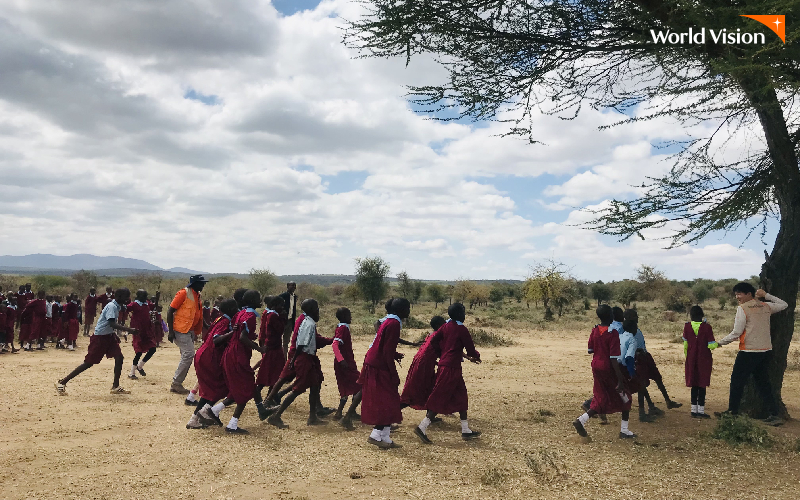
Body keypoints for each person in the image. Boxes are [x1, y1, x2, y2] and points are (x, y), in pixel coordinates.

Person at [715, 284, 788, 425]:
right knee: (763, 383)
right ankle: (774, 414)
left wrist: (720, 343)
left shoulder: (742, 309)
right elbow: (784, 304)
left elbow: (736, 333)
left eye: (740, 294)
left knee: (737, 381)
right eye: (736, 294)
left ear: (749, 294)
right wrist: (766, 295)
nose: (737, 297)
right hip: (764, 351)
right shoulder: (765, 306)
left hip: (748, 351)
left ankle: (732, 412)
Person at [415, 304, 482, 444]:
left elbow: (433, 340)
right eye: (463, 313)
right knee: (440, 397)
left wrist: (442, 353)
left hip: (447, 366)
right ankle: (422, 427)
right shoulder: (461, 329)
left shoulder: (445, 327)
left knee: (462, 396)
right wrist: (475, 356)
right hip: (451, 368)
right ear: (459, 314)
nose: (464, 315)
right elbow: (470, 348)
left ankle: (466, 430)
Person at [55, 288, 138, 395]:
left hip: (108, 336)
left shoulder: (116, 306)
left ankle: (115, 386)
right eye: (126, 297)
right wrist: (129, 330)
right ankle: (62, 382)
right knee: (89, 363)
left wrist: (114, 335)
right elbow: (112, 323)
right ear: (119, 297)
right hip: (100, 338)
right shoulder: (112, 307)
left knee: (119, 357)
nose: (128, 299)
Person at [267, 299, 333, 429]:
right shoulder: (308, 324)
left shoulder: (308, 321)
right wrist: (294, 360)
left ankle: (313, 416)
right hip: (304, 358)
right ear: (313, 311)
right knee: (297, 389)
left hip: (307, 357)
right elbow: (301, 344)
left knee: (314, 385)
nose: (319, 311)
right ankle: (275, 416)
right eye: (317, 309)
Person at [573, 305, 634, 440]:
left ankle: (581, 420)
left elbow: (590, 350)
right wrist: (619, 379)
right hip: (608, 368)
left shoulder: (595, 330)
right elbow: (613, 359)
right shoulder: (612, 334)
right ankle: (624, 430)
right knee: (625, 396)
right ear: (611, 317)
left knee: (600, 396)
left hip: (596, 365)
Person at [359, 298, 410, 449]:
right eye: (407, 308)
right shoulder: (394, 324)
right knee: (387, 401)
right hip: (379, 366)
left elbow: (383, 345)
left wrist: (395, 355)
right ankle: (375, 434)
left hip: (375, 362)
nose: (409, 311)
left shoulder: (388, 321)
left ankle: (385, 438)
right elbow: (386, 351)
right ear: (400, 310)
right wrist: (393, 374)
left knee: (391, 400)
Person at [220, 290, 268, 434]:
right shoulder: (250, 316)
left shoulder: (240, 313)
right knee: (245, 387)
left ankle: (261, 410)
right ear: (253, 301)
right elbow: (242, 337)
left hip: (232, 351)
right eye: (258, 298)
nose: (260, 300)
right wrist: (259, 348)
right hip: (238, 353)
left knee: (249, 384)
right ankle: (232, 424)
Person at [624, 309, 682, 416]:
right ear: (629, 318)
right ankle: (644, 411)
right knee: (642, 384)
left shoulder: (635, 329)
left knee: (657, 378)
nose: (637, 318)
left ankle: (666, 401)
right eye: (634, 316)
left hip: (646, 356)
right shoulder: (627, 331)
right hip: (639, 359)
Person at [191, 299, 239, 429]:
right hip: (210, 357)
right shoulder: (225, 322)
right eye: (235, 307)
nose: (237, 310)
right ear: (230, 310)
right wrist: (232, 333)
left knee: (209, 390)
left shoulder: (219, 319)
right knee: (221, 387)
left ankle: (194, 419)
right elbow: (216, 340)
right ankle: (204, 413)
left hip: (204, 354)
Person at [167, 275, 207, 394]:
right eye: (201, 283)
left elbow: (198, 313)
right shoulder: (183, 293)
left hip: (190, 330)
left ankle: (177, 383)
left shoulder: (197, 295)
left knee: (186, 355)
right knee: (189, 355)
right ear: (194, 283)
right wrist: (170, 331)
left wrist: (206, 325)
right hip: (180, 330)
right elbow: (170, 310)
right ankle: (176, 383)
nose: (203, 285)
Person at [400, 316, 447, 411]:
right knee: (415, 390)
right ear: (439, 325)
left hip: (423, 362)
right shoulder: (438, 336)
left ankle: (430, 415)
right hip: (423, 364)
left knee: (430, 387)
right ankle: (390, 414)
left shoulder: (432, 334)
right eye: (444, 323)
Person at [683, 306, 717, 419]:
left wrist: (688, 357)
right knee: (702, 384)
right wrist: (718, 344)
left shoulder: (687, 327)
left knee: (694, 383)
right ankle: (701, 410)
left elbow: (685, 345)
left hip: (691, 358)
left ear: (691, 316)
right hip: (704, 359)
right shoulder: (707, 327)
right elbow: (711, 345)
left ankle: (693, 409)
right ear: (702, 315)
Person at [332, 308, 363, 430]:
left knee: (348, 386)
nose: (351, 317)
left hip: (345, 363)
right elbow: (335, 345)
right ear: (344, 316)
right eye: (349, 315)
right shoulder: (343, 328)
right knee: (360, 384)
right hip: (345, 364)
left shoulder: (341, 327)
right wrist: (341, 359)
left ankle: (340, 413)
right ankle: (347, 415)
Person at [255, 296, 286, 404]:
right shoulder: (273, 316)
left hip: (273, 346)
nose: (282, 307)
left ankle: (269, 396)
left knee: (270, 372)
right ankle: (266, 397)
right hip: (273, 347)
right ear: (275, 305)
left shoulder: (271, 314)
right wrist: (283, 318)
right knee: (272, 372)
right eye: (281, 305)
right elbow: (280, 329)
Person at [127, 290, 157, 380]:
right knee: (139, 351)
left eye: (146, 295)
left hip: (146, 331)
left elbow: (153, 307)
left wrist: (157, 298)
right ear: (138, 296)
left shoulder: (146, 303)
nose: (145, 297)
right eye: (144, 295)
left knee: (152, 349)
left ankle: (140, 366)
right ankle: (132, 372)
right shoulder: (134, 304)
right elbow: (125, 309)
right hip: (138, 331)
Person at [278, 282, 297, 355]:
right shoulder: (283, 296)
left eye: (294, 286)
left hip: (290, 321)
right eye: (291, 285)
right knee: (278, 339)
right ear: (287, 286)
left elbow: (293, 310)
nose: (293, 287)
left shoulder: (294, 297)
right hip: (282, 320)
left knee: (286, 341)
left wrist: (293, 323)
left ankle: (284, 358)